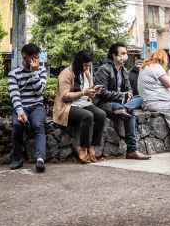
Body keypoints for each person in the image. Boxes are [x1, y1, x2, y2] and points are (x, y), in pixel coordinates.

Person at [94, 43, 151, 160]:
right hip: (106, 103)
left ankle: (123, 109)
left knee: (139, 97)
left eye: (126, 53)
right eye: (123, 53)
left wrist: (129, 94)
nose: (125, 56)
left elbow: (129, 88)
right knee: (130, 114)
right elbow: (102, 92)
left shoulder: (124, 70)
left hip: (122, 103)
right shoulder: (104, 69)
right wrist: (122, 95)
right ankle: (132, 151)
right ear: (114, 55)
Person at [53, 50, 107, 163]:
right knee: (87, 116)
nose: (87, 68)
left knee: (101, 115)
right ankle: (81, 147)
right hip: (67, 106)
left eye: (89, 65)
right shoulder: (66, 73)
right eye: (85, 65)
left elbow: (87, 90)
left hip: (84, 103)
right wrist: (83, 93)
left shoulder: (86, 73)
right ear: (78, 63)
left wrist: (93, 91)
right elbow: (64, 96)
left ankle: (93, 146)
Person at [7, 43, 48, 172]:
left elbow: (39, 91)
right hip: (22, 106)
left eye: (36, 58)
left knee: (38, 125)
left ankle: (40, 158)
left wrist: (34, 73)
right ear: (24, 57)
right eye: (31, 58)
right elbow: (14, 95)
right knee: (18, 125)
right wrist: (20, 112)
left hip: (37, 105)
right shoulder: (14, 74)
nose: (34, 61)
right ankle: (17, 158)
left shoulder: (41, 71)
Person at [137, 50, 170, 154]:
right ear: (163, 58)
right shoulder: (156, 67)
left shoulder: (145, 67)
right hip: (157, 102)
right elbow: (169, 83)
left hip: (150, 101)